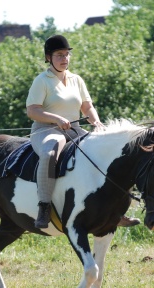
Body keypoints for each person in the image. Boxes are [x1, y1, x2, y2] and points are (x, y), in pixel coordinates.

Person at [26, 34, 140, 229]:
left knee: (103, 153)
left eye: (66, 55)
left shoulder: (76, 80)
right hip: (46, 130)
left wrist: (97, 122)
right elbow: (32, 110)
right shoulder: (42, 80)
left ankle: (115, 211)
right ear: (48, 58)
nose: (64, 59)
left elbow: (87, 107)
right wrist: (57, 118)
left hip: (74, 129)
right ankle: (44, 207)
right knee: (50, 152)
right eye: (59, 55)